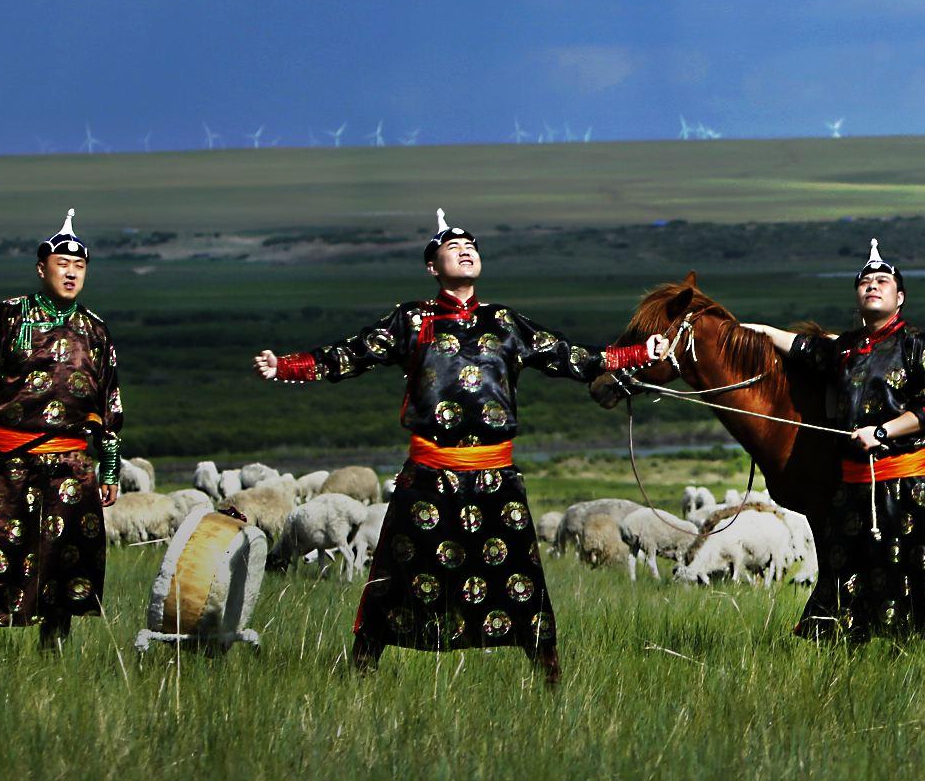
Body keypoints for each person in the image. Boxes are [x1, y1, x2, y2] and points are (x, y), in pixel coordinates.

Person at [251, 210, 664, 680]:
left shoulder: (505, 321)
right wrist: (287, 366)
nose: (466, 250)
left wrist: (636, 355)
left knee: (522, 582)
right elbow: (353, 352)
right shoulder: (412, 320)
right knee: (395, 576)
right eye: (453, 247)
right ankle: (359, 673)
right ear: (433, 266)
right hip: (428, 476)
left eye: (472, 246)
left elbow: (572, 356)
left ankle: (551, 681)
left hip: (496, 478)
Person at [740, 240, 925, 642]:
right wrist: (754, 331)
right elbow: (802, 346)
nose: (872, 286)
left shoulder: (918, 345)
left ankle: (905, 663)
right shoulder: (844, 348)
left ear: (900, 297)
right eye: (865, 283)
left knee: (905, 584)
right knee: (846, 577)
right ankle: (850, 658)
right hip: (854, 486)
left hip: (906, 484)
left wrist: (881, 433)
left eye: (882, 281)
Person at [0, 210, 126, 656]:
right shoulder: (8, 315)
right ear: (42, 268)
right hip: (9, 459)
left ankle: (52, 661)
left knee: (67, 562)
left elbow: (110, 404)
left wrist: (111, 467)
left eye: (80, 267)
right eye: (63, 265)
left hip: (72, 466)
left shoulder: (96, 330)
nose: (72, 273)